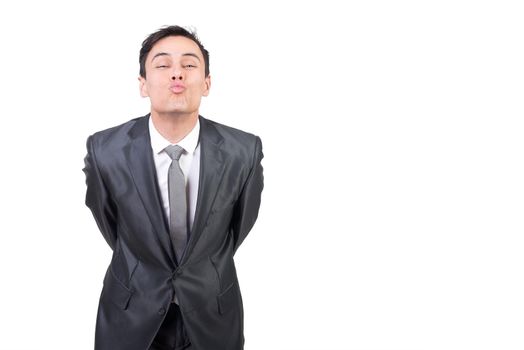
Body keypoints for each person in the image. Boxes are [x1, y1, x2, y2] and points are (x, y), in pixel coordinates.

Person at [83, 25, 264, 350]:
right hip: (130, 314)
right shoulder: (104, 150)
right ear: (143, 84)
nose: (176, 74)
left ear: (206, 83)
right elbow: (112, 225)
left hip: (212, 313)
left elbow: (238, 227)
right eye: (163, 65)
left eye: (190, 65)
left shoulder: (244, 150)